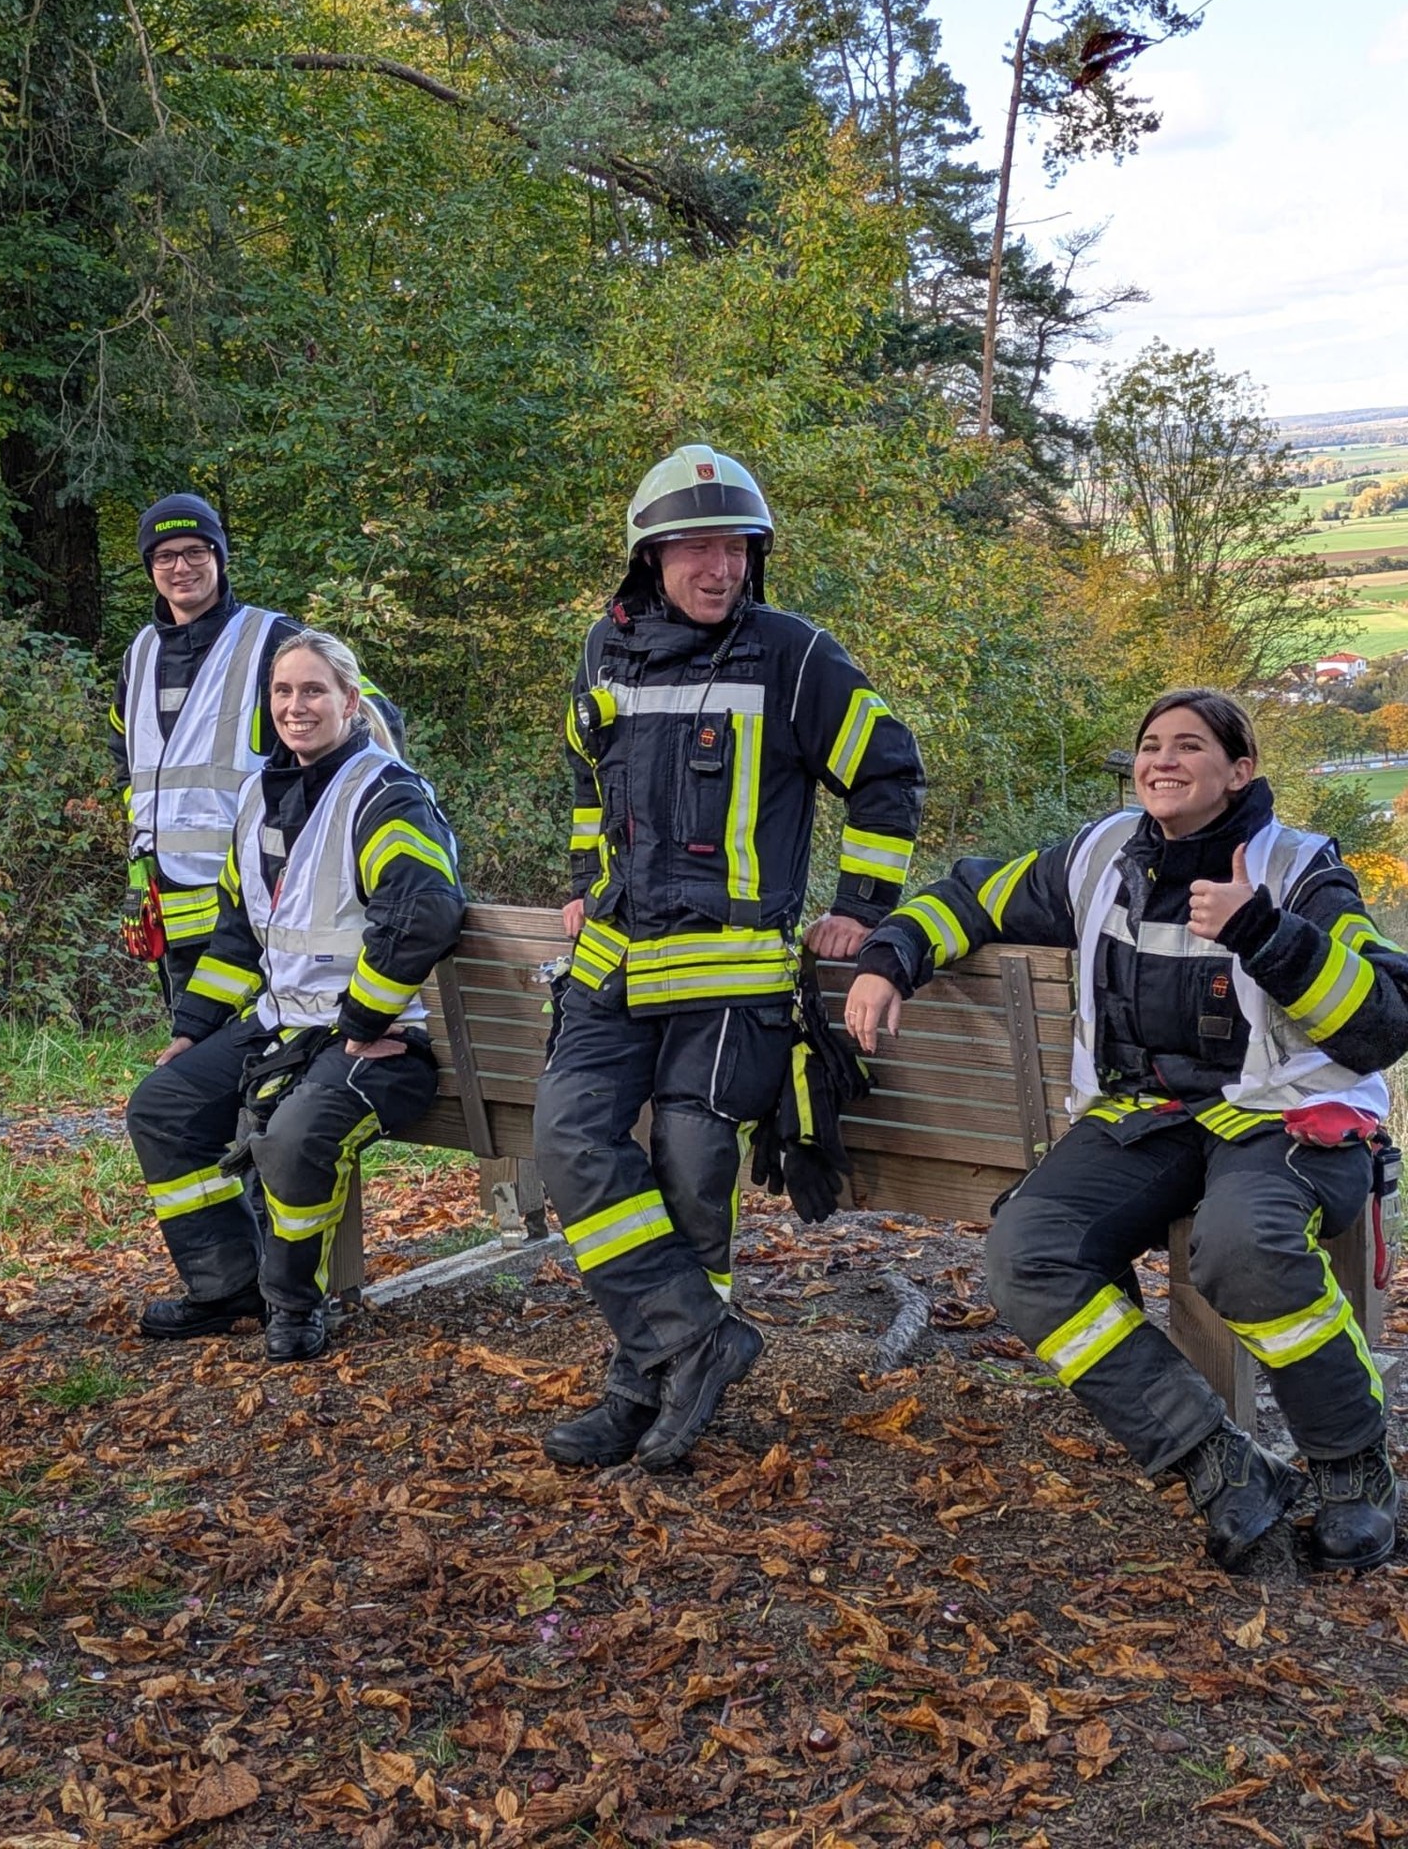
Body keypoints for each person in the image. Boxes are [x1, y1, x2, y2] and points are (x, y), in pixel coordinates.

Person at [845, 688, 1405, 1572]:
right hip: (1148, 1120)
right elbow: (972, 895)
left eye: (1190, 746)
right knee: (1027, 1252)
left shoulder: (1300, 868)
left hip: (1283, 1119)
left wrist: (1267, 932)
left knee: (1242, 1244)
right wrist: (890, 958)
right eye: (1151, 746)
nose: (1164, 761)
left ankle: (1350, 1464)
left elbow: (1381, 1024)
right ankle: (1215, 1461)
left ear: (1239, 772)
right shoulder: (1101, 853)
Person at [534, 444, 924, 1472]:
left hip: (732, 980)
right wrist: (583, 877)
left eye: (737, 549)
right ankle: (694, 1345)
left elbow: (888, 772)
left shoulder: (794, 657)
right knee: (571, 1141)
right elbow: (585, 772)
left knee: (693, 1168)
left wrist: (861, 907)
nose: (721, 569)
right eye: (696, 549)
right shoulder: (602, 650)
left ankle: (645, 1385)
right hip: (612, 967)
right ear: (648, 559)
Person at [125, 629, 463, 1362]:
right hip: (283, 1029)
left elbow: (424, 908)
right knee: (163, 1107)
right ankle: (227, 1287)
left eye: (313, 691)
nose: (295, 705)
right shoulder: (258, 794)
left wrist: (364, 1019)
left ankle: (293, 1303)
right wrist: (194, 1026)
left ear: (349, 701)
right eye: (282, 691)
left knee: (292, 1139)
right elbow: (240, 930)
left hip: (382, 1043)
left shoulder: (386, 793)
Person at [110, 494, 402, 1013]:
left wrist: (333, 820)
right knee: (191, 1042)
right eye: (166, 555)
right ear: (149, 566)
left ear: (220, 557)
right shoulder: (140, 653)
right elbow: (124, 750)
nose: (182, 567)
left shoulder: (272, 638)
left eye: (197, 551)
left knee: (252, 1054)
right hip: (167, 900)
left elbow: (373, 719)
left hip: (256, 899)